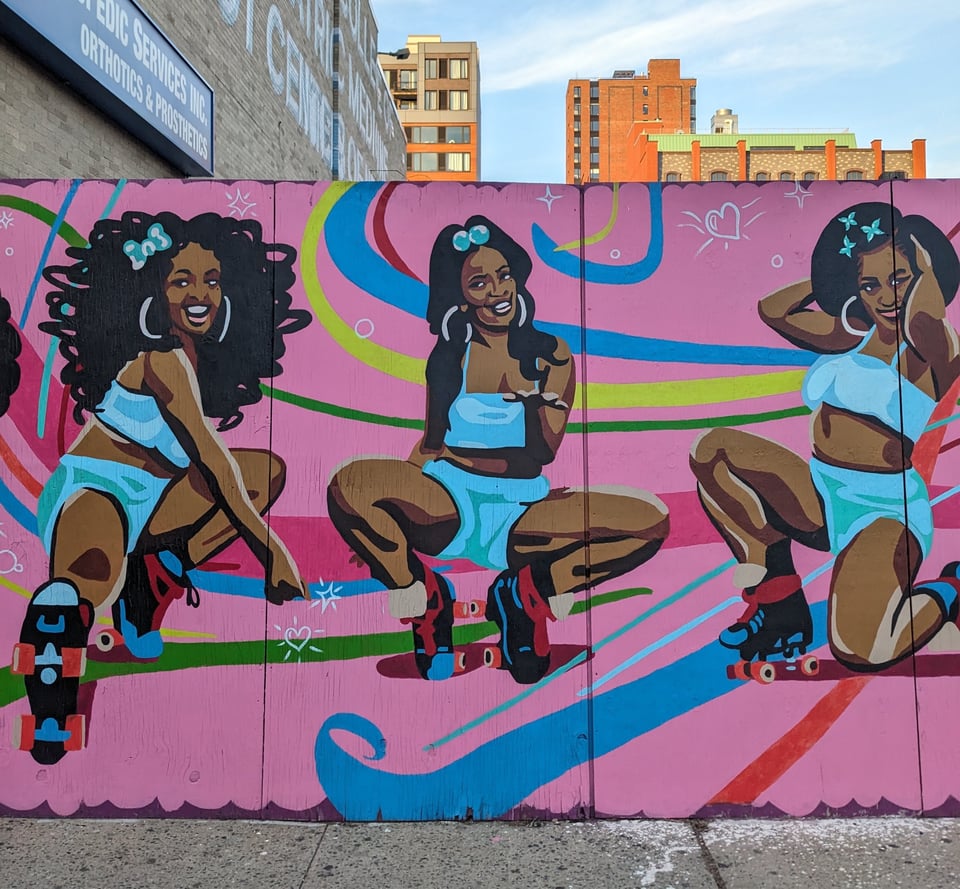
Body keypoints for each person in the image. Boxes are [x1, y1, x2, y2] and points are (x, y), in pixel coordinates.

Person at [11, 211, 311, 763]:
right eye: (182, 281)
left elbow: (219, 469)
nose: (200, 294)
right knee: (86, 581)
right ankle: (53, 688)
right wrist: (271, 551)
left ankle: (154, 574)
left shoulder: (199, 365)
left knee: (262, 473)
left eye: (212, 281)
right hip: (97, 488)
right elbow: (211, 459)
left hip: (154, 500)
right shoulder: (159, 360)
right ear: (153, 290)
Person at [328, 216, 669, 684]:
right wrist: (383, 524)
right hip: (450, 498)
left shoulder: (552, 355)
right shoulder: (449, 356)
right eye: (479, 282)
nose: (497, 291)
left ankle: (527, 593)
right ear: (460, 294)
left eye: (504, 275)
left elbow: (546, 448)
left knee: (648, 521)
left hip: (521, 506)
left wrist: (533, 407)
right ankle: (426, 599)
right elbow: (431, 440)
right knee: (353, 484)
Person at [689, 202, 960, 672]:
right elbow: (773, 309)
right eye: (870, 285)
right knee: (714, 452)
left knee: (858, 649)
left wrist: (918, 262)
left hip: (883, 511)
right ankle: (779, 600)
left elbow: (928, 310)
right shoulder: (850, 332)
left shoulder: (931, 346)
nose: (885, 296)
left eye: (898, 280)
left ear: (921, 277)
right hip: (819, 491)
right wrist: (837, 274)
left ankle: (949, 591)